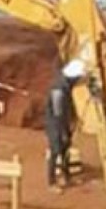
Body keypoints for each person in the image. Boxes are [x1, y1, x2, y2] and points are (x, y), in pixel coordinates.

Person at [45, 60, 85, 190]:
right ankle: (51, 182)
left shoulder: (66, 85)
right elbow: (58, 113)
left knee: (65, 148)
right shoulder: (58, 89)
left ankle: (66, 176)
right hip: (55, 123)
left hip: (63, 120)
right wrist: (62, 130)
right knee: (56, 149)